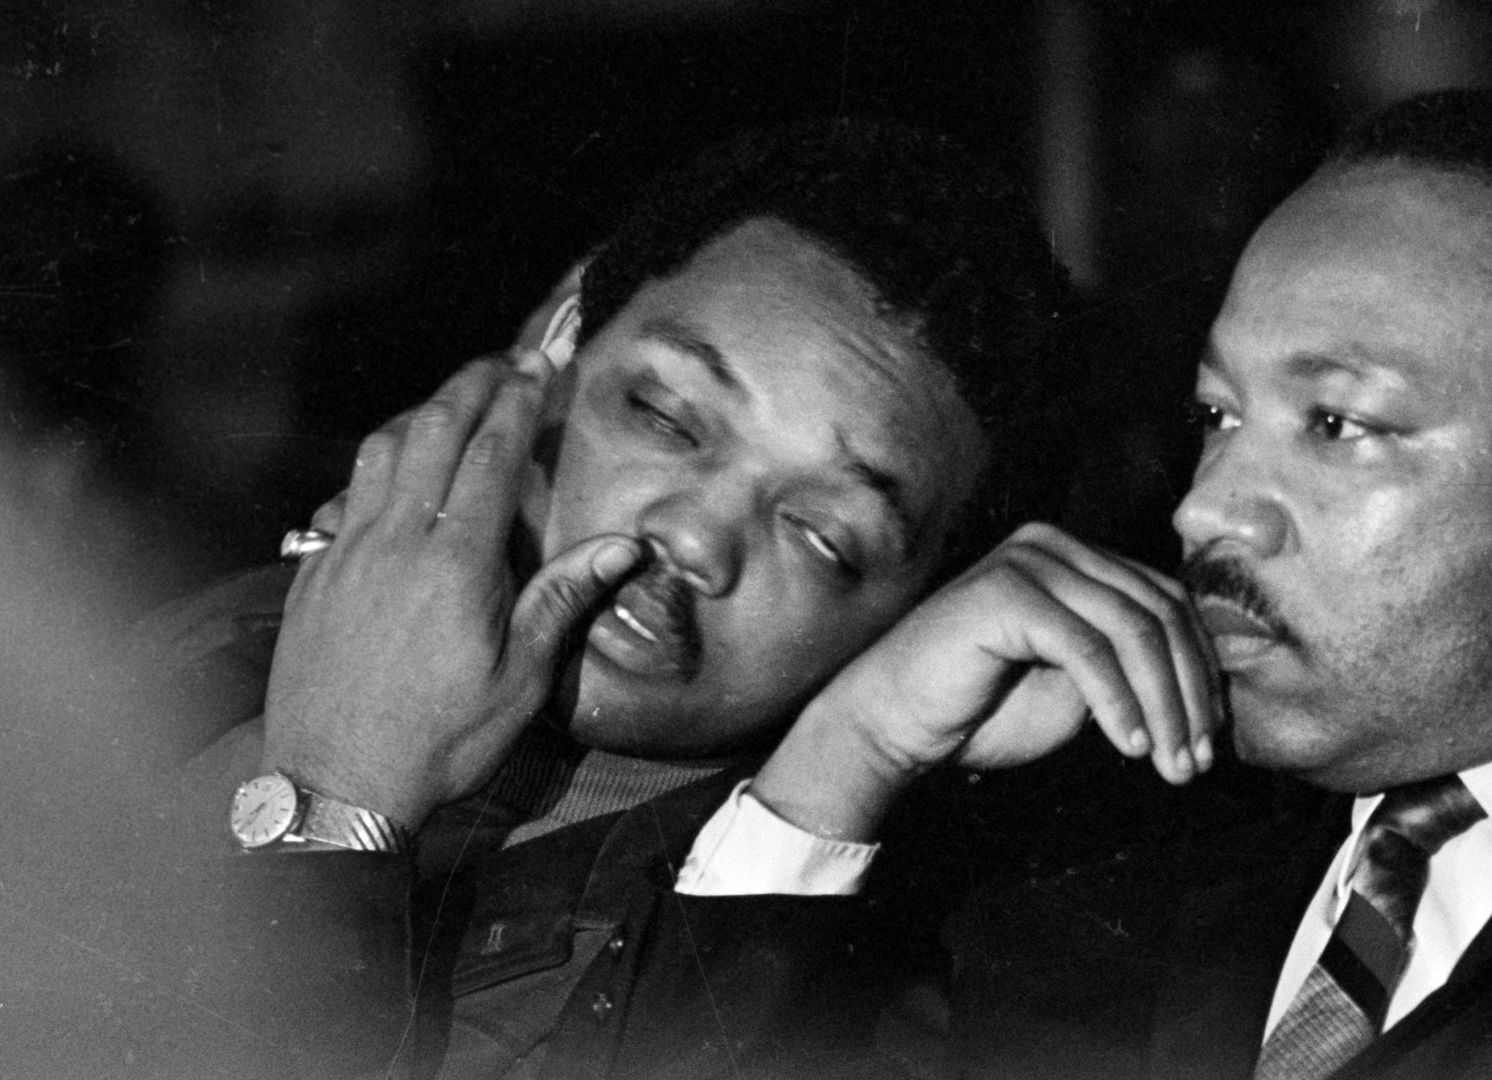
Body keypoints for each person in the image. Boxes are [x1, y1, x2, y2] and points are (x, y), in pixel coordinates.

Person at [735, 88, 1492, 1078]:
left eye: (1339, 423)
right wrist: (853, 752)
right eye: (1218, 414)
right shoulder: (1131, 868)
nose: (1204, 507)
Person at [142, 118, 1159, 1079]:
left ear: (922, 613)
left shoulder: (834, 981)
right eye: (667, 419)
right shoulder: (214, 630)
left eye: (822, 537)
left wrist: (334, 806)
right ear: (563, 336)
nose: (695, 536)